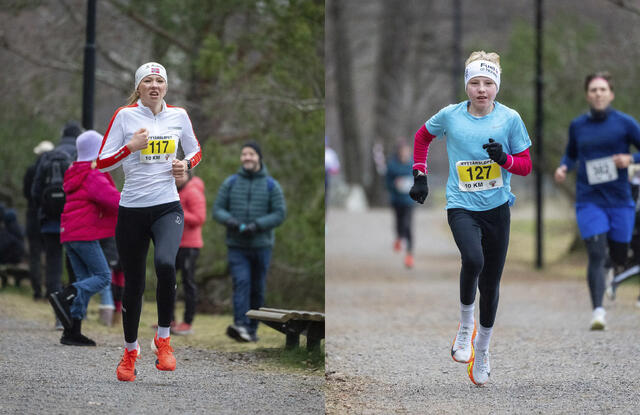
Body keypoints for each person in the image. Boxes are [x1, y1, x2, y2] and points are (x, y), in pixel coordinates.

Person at [409, 51, 532, 386]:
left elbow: (525, 164)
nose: (481, 89)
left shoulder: (510, 119)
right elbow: (422, 137)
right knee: (473, 260)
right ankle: (465, 327)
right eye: (475, 82)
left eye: (488, 83)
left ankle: (484, 347)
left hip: (497, 208)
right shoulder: (451, 116)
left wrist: (504, 159)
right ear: (467, 84)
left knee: (491, 286)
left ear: (497, 86)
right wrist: (420, 174)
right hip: (461, 205)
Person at [96, 62, 202, 382]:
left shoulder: (178, 116)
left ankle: (164, 339)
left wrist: (184, 165)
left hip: (168, 207)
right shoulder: (125, 116)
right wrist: (130, 147)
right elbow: (100, 164)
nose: (154, 86)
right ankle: (130, 351)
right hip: (132, 209)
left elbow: (196, 152)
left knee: (167, 264)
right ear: (139, 88)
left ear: (166, 87)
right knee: (134, 285)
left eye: (159, 81)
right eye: (148, 81)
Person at [554, 71, 640, 329]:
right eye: (593, 90)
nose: (598, 94)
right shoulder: (578, 125)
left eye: (603, 90)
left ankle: (615, 268)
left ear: (611, 94)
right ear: (587, 95)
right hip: (589, 199)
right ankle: (598, 311)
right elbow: (570, 155)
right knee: (594, 251)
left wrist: (631, 160)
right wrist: (563, 167)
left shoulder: (625, 123)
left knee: (619, 252)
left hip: (620, 200)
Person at [48, 130, 120, 346]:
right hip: (84, 234)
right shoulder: (93, 175)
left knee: (83, 280)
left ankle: (72, 332)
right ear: (97, 151)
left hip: (69, 234)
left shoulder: (74, 172)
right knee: (103, 276)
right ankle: (65, 295)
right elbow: (114, 200)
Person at [213, 141, 286, 343]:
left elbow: (280, 213)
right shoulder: (231, 183)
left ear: (259, 158)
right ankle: (240, 325)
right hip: (237, 245)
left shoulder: (271, 185)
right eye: (244, 154)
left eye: (251, 154)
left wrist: (258, 225)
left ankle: (252, 329)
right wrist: (231, 221)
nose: (247, 157)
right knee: (241, 282)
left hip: (262, 246)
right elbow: (217, 209)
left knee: (257, 287)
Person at [31, 121, 81, 328]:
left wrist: (44, 211)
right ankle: (74, 312)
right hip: (73, 221)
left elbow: (35, 190)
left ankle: (58, 316)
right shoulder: (79, 155)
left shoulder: (48, 155)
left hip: (50, 222)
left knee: (53, 267)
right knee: (74, 267)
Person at [171, 170, 206, 335]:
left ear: (188, 175)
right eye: (175, 174)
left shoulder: (192, 191)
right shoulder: (174, 190)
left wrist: (178, 211)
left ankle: (187, 322)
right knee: (168, 280)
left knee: (188, 282)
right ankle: (169, 319)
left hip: (189, 245)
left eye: (181, 174)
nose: (177, 177)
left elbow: (199, 218)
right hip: (174, 243)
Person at [23, 140, 54, 300]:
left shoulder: (31, 170)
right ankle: (51, 290)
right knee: (50, 255)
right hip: (49, 216)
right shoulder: (52, 170)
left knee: (34, 254)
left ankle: (36, 291)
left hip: (33, 215)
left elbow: (26, 193)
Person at [385, 139, 416, 268]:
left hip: (409, 200)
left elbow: (421, 179)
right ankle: (399, 237)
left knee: (408, 224)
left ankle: (409, 255)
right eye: (402, 152)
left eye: (406, 152)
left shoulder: (414, 164)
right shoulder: (392, 166)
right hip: (397, 200)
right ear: (398, 153)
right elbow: (387, 183)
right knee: (398, 222)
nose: (404, 154)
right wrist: (395, 184)